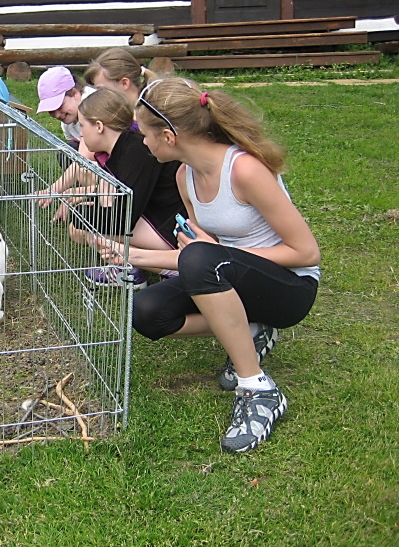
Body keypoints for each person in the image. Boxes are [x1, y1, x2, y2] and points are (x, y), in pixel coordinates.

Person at [95, 77, 321, 453]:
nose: (143, 142)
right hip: (229, 275)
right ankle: (250, 329)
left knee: (202, 259)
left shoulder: (244, 170)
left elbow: (306, 253)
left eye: (145, 134)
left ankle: (258, 390)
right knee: (146, 312)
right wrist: (130, 255)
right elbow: (202, 257)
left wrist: (218, 255)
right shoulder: (185, 176)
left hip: (291, 288)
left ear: (169, 136)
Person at [65, 87, 187, 290]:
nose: (81, 133)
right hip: (153, 218)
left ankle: (168, 268)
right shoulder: (121, 149)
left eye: (83, 125)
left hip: (170, 229)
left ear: (99, 126)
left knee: (90, 229)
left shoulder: (136, 151)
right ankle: (133, 263)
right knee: (81, 226)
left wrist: (81, 213)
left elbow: (123, 218)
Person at [34, 66, 99, 222]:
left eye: (59, 106)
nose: (56, 114)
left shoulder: (95, 107)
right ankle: (88, 195)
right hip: (96, 160)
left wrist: (55, 190)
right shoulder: (68, 123)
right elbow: (80, 157)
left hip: (113, 164)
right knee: (68, 152)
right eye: (51, 110)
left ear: (75, 94)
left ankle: (93, 197)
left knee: (80, 162)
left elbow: (84, 159)